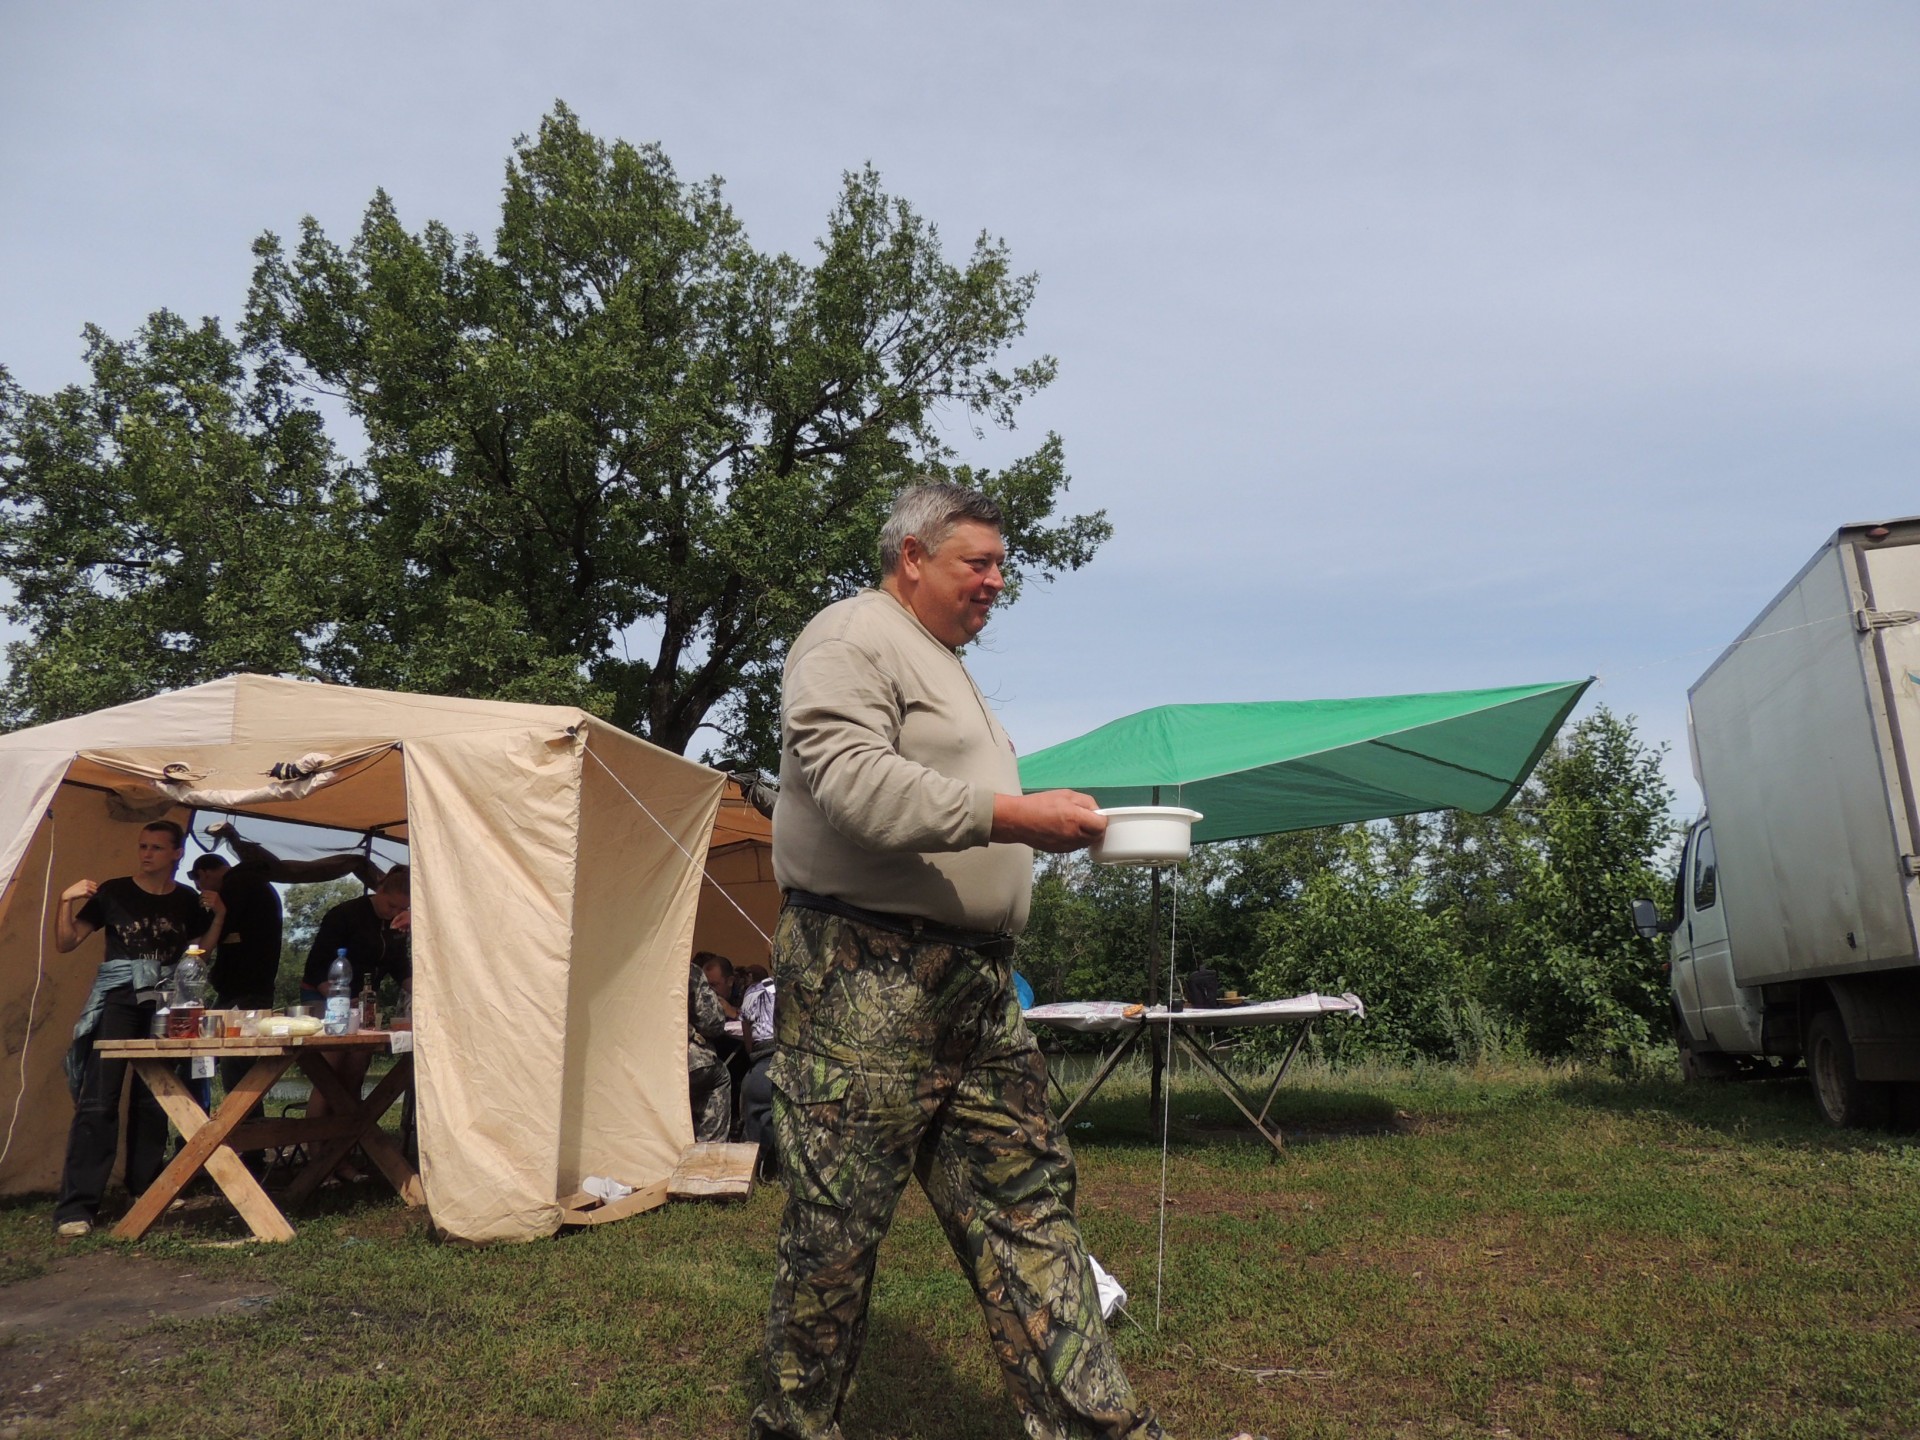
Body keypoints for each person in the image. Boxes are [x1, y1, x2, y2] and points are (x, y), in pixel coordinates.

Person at [753, 482, 1162, 1440]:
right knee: (835, 1236)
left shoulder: (942, 663)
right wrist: (1015, 816)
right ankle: (795, 1425)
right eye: (977, 563)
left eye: (1000, 566)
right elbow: (853, 784)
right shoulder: (851, 637)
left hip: (973, 986)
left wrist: (1051, 824)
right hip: (865, 974)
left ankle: (1098, 1428)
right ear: (912, 556)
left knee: (1030, 1205)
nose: (996, 582)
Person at [51, 820, 224, 1238]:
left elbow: (200, 952)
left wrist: (220, 913)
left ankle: (144, 1189)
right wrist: (64, 901)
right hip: (120, 999)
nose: (146, 853)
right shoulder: (113, 892)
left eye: (156, 848)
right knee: (99, 1098)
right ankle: (77, 1207)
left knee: (154, 1097)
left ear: (177, 853)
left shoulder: (187, 900)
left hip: (164, 1001)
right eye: (143, 846)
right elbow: (66, 942)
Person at [299, 866, 412, 1151]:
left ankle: (342, 1154)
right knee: (329, 1076)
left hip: (362, 1005)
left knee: (354, 1075)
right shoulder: (345, 914)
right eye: (391, 905)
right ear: (379, 890)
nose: (395, 912)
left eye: (403, 908)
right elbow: (316, 967)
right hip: (325, 997)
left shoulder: (397, 925)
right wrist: (339, 999)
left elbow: (400, 969)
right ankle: (316, 1154)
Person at [687, 953, 734, 1142]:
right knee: (719, 1078)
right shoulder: (686, 970)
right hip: (682, 1057)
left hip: (630, 1058)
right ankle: (708, 1148)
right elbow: (712, 1022)